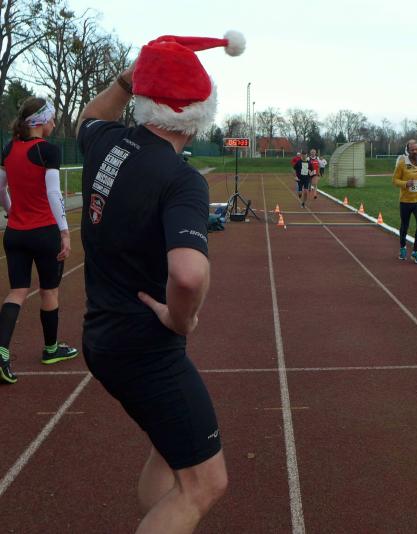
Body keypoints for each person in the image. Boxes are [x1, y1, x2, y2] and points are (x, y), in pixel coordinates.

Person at [77, 30, 243, 531]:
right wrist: (180, 318)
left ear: (145, 98)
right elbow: (188, 275)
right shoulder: (181, 179)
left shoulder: (105, 143)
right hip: (146, 349)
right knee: (205, 483)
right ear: (198, 112)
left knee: (173, 454)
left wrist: (128, 80)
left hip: (104, 336)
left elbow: (89, 116)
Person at [0, 98, 77, 384]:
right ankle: (51, 349)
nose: (54, 123)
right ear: (41, 121)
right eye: (52, 118)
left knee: (17, 291)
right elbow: (54, 194)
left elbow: (0, 188)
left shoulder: (9, 148)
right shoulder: (48, 151)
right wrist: (65, 232)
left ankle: (1, 352)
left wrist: (11, 210)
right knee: (49, 292)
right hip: (44, 233)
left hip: (15, 233)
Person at [392, 139, 417, 264]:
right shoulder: (402, 163)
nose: (415, 151)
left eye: (416, 149)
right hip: (405, 201)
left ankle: (415, 251)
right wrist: (405, 183)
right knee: (405, 225)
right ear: (407, 151)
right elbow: (394, 181)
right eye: (412, 150)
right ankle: (403, 248)